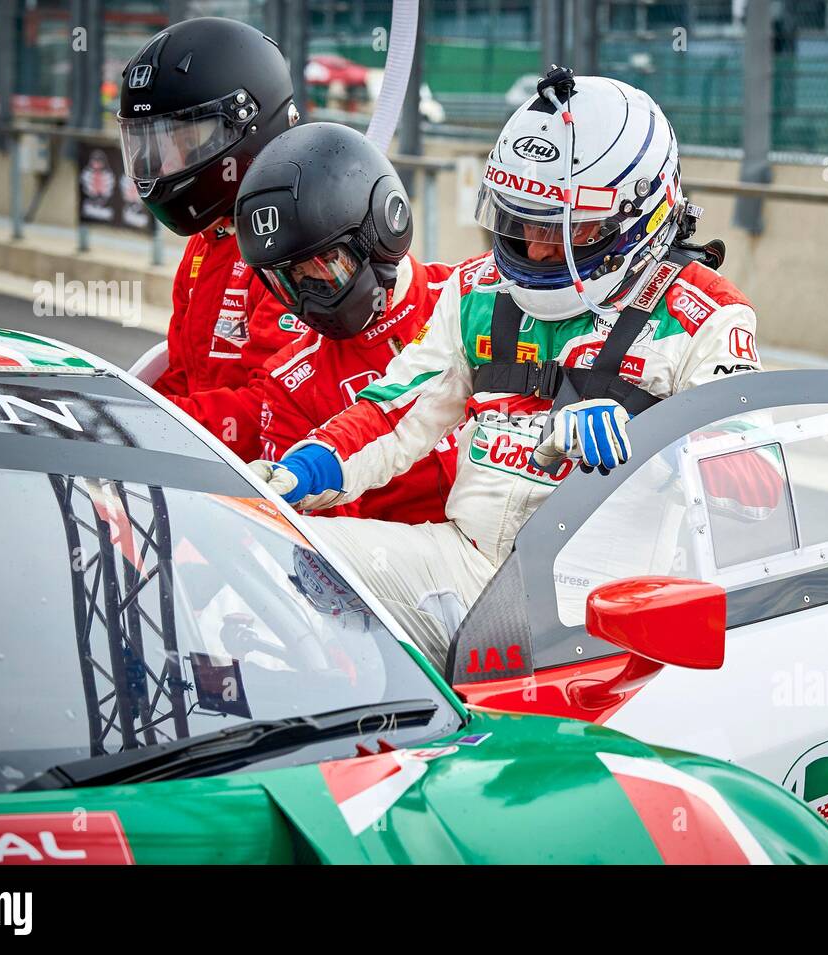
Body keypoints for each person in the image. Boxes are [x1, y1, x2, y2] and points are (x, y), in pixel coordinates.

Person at [249, 70, 767, 668]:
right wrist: (300, 473)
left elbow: (757, 486)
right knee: (272, 553)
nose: (538, 249)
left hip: (598, 603)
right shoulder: (474, 291)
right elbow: (394, 411)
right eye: (521, 223)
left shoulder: (707, 315)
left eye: (563, 228)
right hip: (465, 564)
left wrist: (648, 442)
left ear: (641, 213)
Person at [234, 123, 458, 524]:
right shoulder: (291, 386)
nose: (307, 296)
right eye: (288, 280)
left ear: (382, 231)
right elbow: (329, 544)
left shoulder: (472, 301)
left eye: (321, 269)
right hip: (403, 575)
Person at [116, 17, 299, 460]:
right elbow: (181, 376)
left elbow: (277, 413)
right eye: (152, 145)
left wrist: (147, 425)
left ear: (247, 125)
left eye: (185, 139)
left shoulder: (296, 245)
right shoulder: (211, 237)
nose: (163, 164)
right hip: (216, 471)